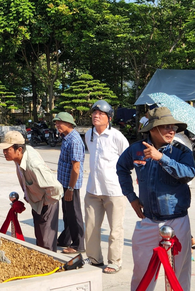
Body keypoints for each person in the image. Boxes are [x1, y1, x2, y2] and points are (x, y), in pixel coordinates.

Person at [117, 107, 195, 291]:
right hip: (149, 220)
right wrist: (131, 197)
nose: (171, 131)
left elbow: (189, 173)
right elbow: (121, 167)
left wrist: (161, 158)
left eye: (173, 127)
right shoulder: (136, 149)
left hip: (177, 219)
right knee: (142, 272)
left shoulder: (182, 151)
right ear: (152, 129)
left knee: (179, 273)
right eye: (165, 126)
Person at [0, 130, 62, 251]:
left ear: (19, 149)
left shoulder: (33, 165)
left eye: (7, 149)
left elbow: (56, 188)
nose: (4, 153)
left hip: (47, 202)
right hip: (36, 200)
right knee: (40, 238)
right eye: (3, 149)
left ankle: (50, 267)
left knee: (46, 244)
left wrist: (44, 202)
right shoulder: (20, 156)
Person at [83, 100, 129, 274]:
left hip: (114, 190)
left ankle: (115, 261)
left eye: (100, 113)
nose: (96, 115)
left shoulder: (117, 137)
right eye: (94, 113)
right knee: (91, 227)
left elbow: (127, 159)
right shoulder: (89, 134)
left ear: (109, 118)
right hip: (93, 189)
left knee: (115, 228)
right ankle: (94, 259)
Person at [53, 111, 85, 254]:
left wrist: (70, 189)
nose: (57, 125)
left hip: (71, 185)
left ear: (69, 124)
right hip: (65, 183)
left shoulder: (74, 141)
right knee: (67, 214)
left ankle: (79, 244)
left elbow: (76, 167)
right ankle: (65, 239)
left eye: (59, 122)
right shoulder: (66, 138)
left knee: (74, 214)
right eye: (56, 123)